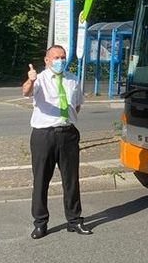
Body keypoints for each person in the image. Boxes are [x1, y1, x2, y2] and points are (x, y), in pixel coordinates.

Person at [21, 45, 92, 239]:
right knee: (41, 180)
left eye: (62, 57)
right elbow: (26, 92)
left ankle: (74, 221)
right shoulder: (40, 79)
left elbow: (77, 105)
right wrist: (30, 79)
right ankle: (40, 223)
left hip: (67, 134)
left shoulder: (72, 79)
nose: (60, 61)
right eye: (56, 57)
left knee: (71, 180)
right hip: (43, 135)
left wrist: (65, 121)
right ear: (47, 60)